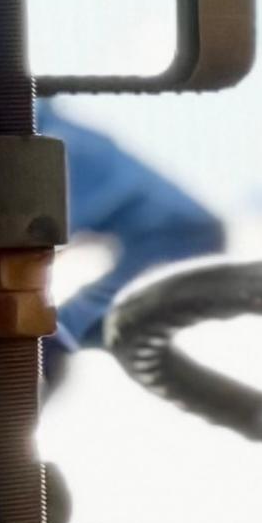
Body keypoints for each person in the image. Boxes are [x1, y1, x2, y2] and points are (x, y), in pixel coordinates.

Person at [44, 111, 222, 368]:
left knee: (42, 345)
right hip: (179, 233)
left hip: (177, 237)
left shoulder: (55, 143)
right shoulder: (43, 130)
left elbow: (193, 230)